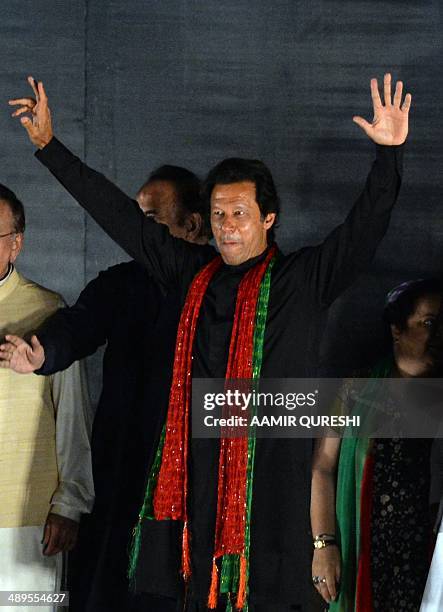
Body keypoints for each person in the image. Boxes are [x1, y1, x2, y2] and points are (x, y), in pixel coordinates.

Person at [3, 72, 410, 610]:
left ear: (268, 219)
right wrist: (50, 147)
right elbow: (123, 219)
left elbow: (365, 228)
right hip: (196, 499)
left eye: (240, 214)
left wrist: (389, 156)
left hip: (275, 497)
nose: (227, 227)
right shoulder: (191, 272)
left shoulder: (302, 280)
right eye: (218, 215)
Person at [0, 166, 210, 612]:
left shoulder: (224, 290)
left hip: (193, 489)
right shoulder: (121, 284)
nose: (134, 232)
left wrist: (66, 504)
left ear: (192, 226)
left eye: (148, 221)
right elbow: (75, 328)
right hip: (120, 480)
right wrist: (42, 354)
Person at [311, 279, 443, 611]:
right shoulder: (355, 391)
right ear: (397, 329)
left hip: (427, 563)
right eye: (428, 322)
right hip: (362, 551)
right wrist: (324, 545)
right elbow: (323, 467)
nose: (440, 334)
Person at [0, 184, 94, 612]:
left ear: (16, 244)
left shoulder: (49, 313)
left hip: (29, 524)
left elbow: (73, 419)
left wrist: (69, 506)